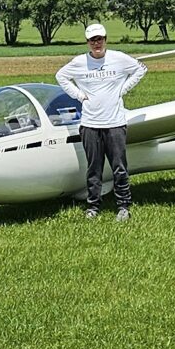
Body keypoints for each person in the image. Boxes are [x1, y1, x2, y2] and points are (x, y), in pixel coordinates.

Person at [55, 22, 147, 221]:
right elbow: (61, 76)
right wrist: (79, 95)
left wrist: (122, 89)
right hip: (90, 125)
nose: (97, 43)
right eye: (92, 40)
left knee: (119, 167)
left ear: (106, 39)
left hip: (115, 123)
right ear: (88, 42)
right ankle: (93, 207)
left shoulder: (119, 58)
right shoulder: (79, 63)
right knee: (93, 168)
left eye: (100, 39)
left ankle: (123, 206)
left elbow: (140, 69)